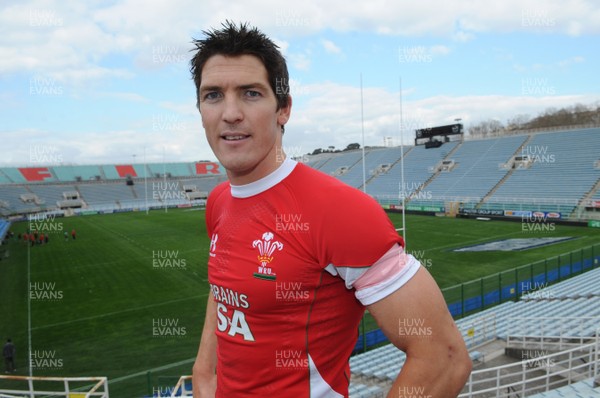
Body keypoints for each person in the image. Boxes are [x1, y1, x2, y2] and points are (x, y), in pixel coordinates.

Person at [190, 21, 471, 398]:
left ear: (283, 108)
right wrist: (204, 374)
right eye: (213, 96)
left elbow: (445, 357)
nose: (230, 113)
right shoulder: (219, 202)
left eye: (251, 93)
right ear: (200, 109)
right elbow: (224, 291)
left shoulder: (339, 210)